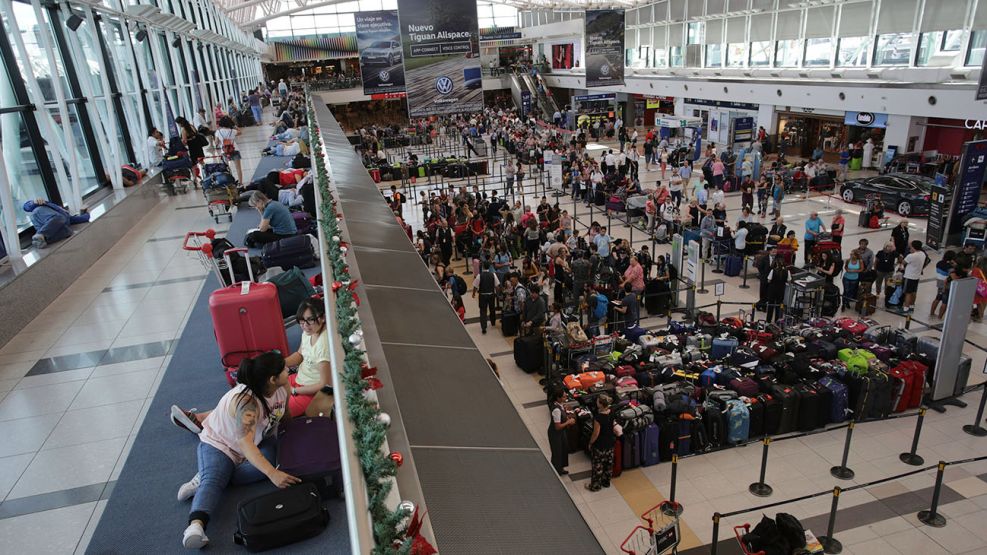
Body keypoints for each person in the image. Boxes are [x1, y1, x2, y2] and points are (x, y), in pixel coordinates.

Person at [174, 351, 297, 549]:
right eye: (283, 369)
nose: (288, 370)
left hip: (253, 444)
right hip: (219, 443)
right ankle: (195, 526)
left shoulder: (283, 386)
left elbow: (285, 413)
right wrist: (272, 474)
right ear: (272, 379)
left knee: (274, 454)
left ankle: (210, 475)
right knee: (215, 480)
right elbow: (245, 444)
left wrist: (294, 434)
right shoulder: (246, 403)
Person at [281, 298, 332, 416]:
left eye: (310, 320)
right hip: (299, 378)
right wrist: (281, 362)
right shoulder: (309, 332)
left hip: (311, 391)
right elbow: (300, 355)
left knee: (278, 412)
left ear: (322, 317)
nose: (305, 326)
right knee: (269, 390)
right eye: (302, 321)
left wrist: (294, 391)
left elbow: (323, 384)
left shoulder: (323, 345)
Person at [23, 198, 90, 249]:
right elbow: (26, 206)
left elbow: (81, 219)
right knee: (60, 218)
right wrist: (35, 202)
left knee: (67, 230)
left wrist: (86, 214)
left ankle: (42, 239)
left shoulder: (67, 217)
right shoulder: (48, 206)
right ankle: (41, 234)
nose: (64, 209)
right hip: (40, 212)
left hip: (48, 223)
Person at [586, 394, 616, 492]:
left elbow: (596, 433)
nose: (596, 402)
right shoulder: (611, 412)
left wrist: (590, 443)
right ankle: (606, 482)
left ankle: (595, 486)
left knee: (597, 466)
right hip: (610, 442)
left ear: (601, 404)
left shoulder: (598, 418)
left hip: (600, 445)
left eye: (598, 401)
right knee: (608, 464)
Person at [548, 388, 577, 476]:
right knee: (557, 452)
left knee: (563, 449)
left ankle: (560, 468)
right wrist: (568, 422)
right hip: (555, 434)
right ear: (558, 398)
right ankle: (555, 471)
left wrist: (566, 418)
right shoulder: (556, 410)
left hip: (561, 432)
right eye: (564, 397)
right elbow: (557, 427)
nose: (566, 398)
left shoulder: (560, 405)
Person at [472, 261, 499, 334]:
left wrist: (473, 293)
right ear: (489, 267)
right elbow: (496, 286)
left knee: (483, 311)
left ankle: (484, 327)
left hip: (482, 295)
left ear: (483, 267)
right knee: (492, 309)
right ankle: (493, 322)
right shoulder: (493, 274)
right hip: (491, 294)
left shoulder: (479, 276)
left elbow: (475, 286)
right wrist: (497, 294)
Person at [215, 116, 244, 184]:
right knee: (238, 168)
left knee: (226, 168)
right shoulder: (233, 131)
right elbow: (240, 132)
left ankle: (229, 182)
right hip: (234, 150)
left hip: (224, 151)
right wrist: (234, 126)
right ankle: (240, 182)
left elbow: (216, 143)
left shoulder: (218, 132)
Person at [901, 240, 926, 313]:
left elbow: (903, 262)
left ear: (913, 247)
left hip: (909, 276)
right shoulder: (922, 254)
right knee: (914, 292)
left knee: (908, 293)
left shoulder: (911, 256)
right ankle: (912, 306)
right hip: (917, 276)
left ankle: (905, 308)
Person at [930, 251, 955, 318]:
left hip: (939, 284)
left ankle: (932, 313)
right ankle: (940, 316)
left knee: (937, 298)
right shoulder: (950, 267)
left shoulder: (939, 263)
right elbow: (952, 277)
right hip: (947, 286)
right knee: (945, 302)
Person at [765, 257, 789, 323]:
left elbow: (769, 280)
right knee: (779, 306)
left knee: (771, 305)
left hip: (772, 290)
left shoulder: (773, 270)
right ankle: (777, 320)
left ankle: (768, 320)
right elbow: (788, 280)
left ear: (777, 264)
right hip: (781, 290)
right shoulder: (787, 271)